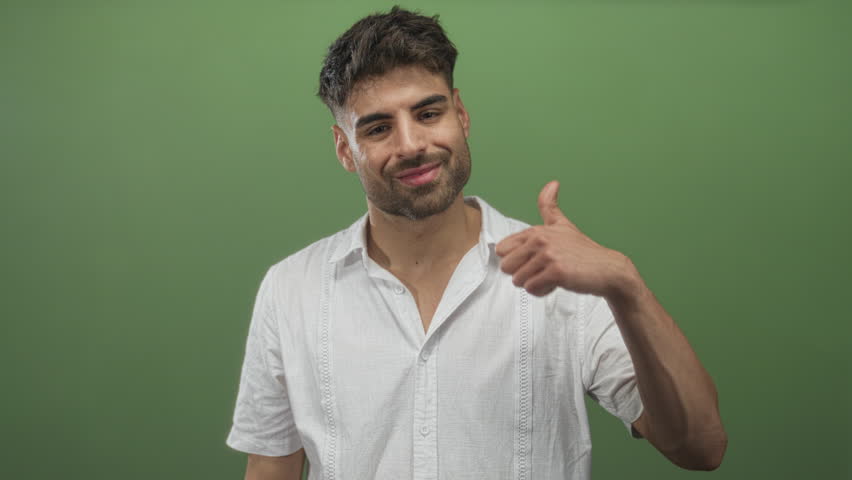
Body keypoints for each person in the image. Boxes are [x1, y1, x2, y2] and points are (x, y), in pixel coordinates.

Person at [226, 6, 727, 479]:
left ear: (461, 114)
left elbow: (700, 447)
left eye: (428, 113)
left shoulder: (564, 279)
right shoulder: (290, 289)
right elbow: (270, 469)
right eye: (378, 128)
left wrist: (625, 283)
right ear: (345, 149)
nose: (411, 145)